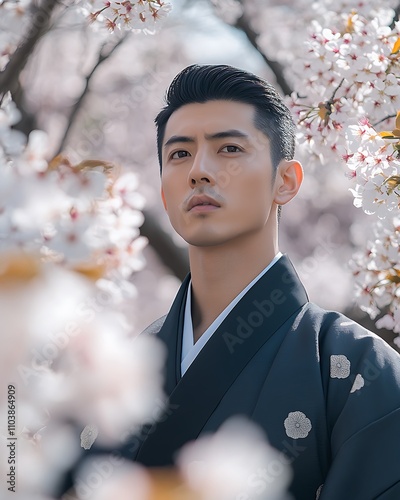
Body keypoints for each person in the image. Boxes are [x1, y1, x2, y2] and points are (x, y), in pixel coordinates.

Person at [128, 64, 400, 499]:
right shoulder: (123, 368)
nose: (199, 170)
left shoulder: (355, 366)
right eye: (179, 154)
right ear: (164, 192)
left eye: (229, 149)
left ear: (285, 181)